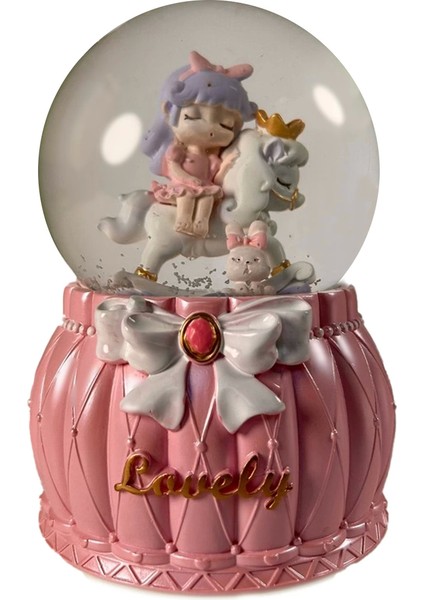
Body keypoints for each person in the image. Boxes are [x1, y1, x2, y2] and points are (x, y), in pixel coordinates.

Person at [142, 51, 257, 238]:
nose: (211, 129)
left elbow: (217, 177)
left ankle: (201, 223)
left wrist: (227, 165)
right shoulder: (178, 151)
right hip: (184, 185)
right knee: (186, 196)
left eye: (225, 125)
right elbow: (174, 169)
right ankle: (183, 220)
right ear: (169, 112)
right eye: (193, 116)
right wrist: (187, 179)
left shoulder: (212, 159)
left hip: (203, 186)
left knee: (207, 199)